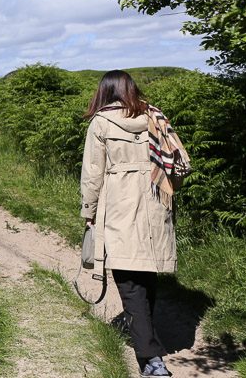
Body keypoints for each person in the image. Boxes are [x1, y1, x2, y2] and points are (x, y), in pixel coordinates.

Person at [80, 70, 183, 378]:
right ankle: (142, 332)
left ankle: (151, 359)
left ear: (104, 92)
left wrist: (89, 211)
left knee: (129, 283)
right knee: (147, 276)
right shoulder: (154, 116)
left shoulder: (101, 122)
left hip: (119, 205)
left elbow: (92, 173)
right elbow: (174, 160)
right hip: (155, 201)